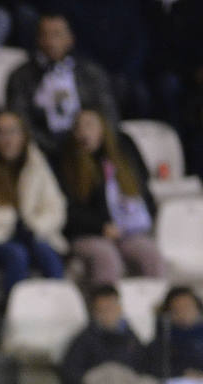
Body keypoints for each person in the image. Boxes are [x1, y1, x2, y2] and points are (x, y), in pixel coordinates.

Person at [0, 111, 67, 303]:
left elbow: (55, 207)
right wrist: (12, 219)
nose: (7, 139)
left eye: (12, 132)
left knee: (47, 252)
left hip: (31, 233)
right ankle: (13, 312)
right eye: (0, 132)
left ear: (23, 135)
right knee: (16, 254)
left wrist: (34, 225)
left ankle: (58, 309)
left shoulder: (37, 165)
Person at [56, 109, 164, 288]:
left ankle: (153, 308)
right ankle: (106, 312)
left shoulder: (122, 159)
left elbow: (144, 195)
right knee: (106, 257)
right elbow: (68, 210)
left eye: (89, 125)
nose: (83, 132)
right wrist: (101, 227)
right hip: (87, 234)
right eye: (78, 127)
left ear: (103, 129)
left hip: (126, 232)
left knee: (150, 255)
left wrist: (141, 219)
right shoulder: (67, 164)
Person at [5, 13, 118, 159]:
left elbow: (108, 112)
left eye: (57, 34)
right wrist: (52, 147)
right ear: (37, 39)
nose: (50, 41)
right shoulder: (21, 76)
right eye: (45, 35)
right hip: (44, 151)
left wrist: (92, 137)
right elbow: (20, 121)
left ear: (70, 38)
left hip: (88, 145)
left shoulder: (90, 72)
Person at [59, 284, 146, 384]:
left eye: (111, 308)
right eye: (102, 310)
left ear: (120, 308)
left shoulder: (132, 338)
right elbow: (71, 374)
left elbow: (143, 368)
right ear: (94, 312)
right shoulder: (84, 339)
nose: (108, 314)